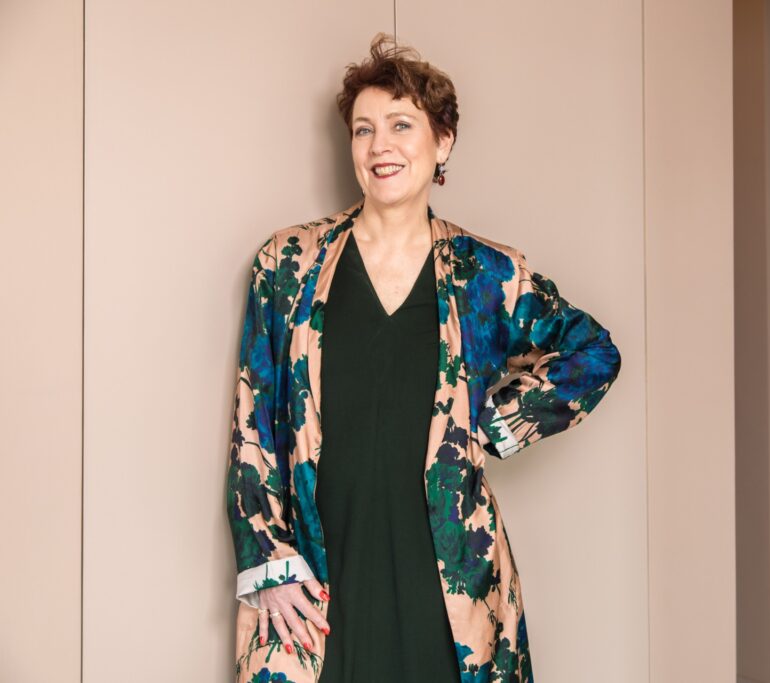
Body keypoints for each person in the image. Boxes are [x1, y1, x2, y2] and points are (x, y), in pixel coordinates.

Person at [226, 32, 622, 683]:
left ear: (443, 142)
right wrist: (268, 558)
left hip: (449, 581)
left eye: (401, 125)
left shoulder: (486, 274)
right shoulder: (289, 263)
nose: (379, 145)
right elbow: (253, 426)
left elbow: (593, 352)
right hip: (322, 575)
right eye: (363, 130)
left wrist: (494, 424)